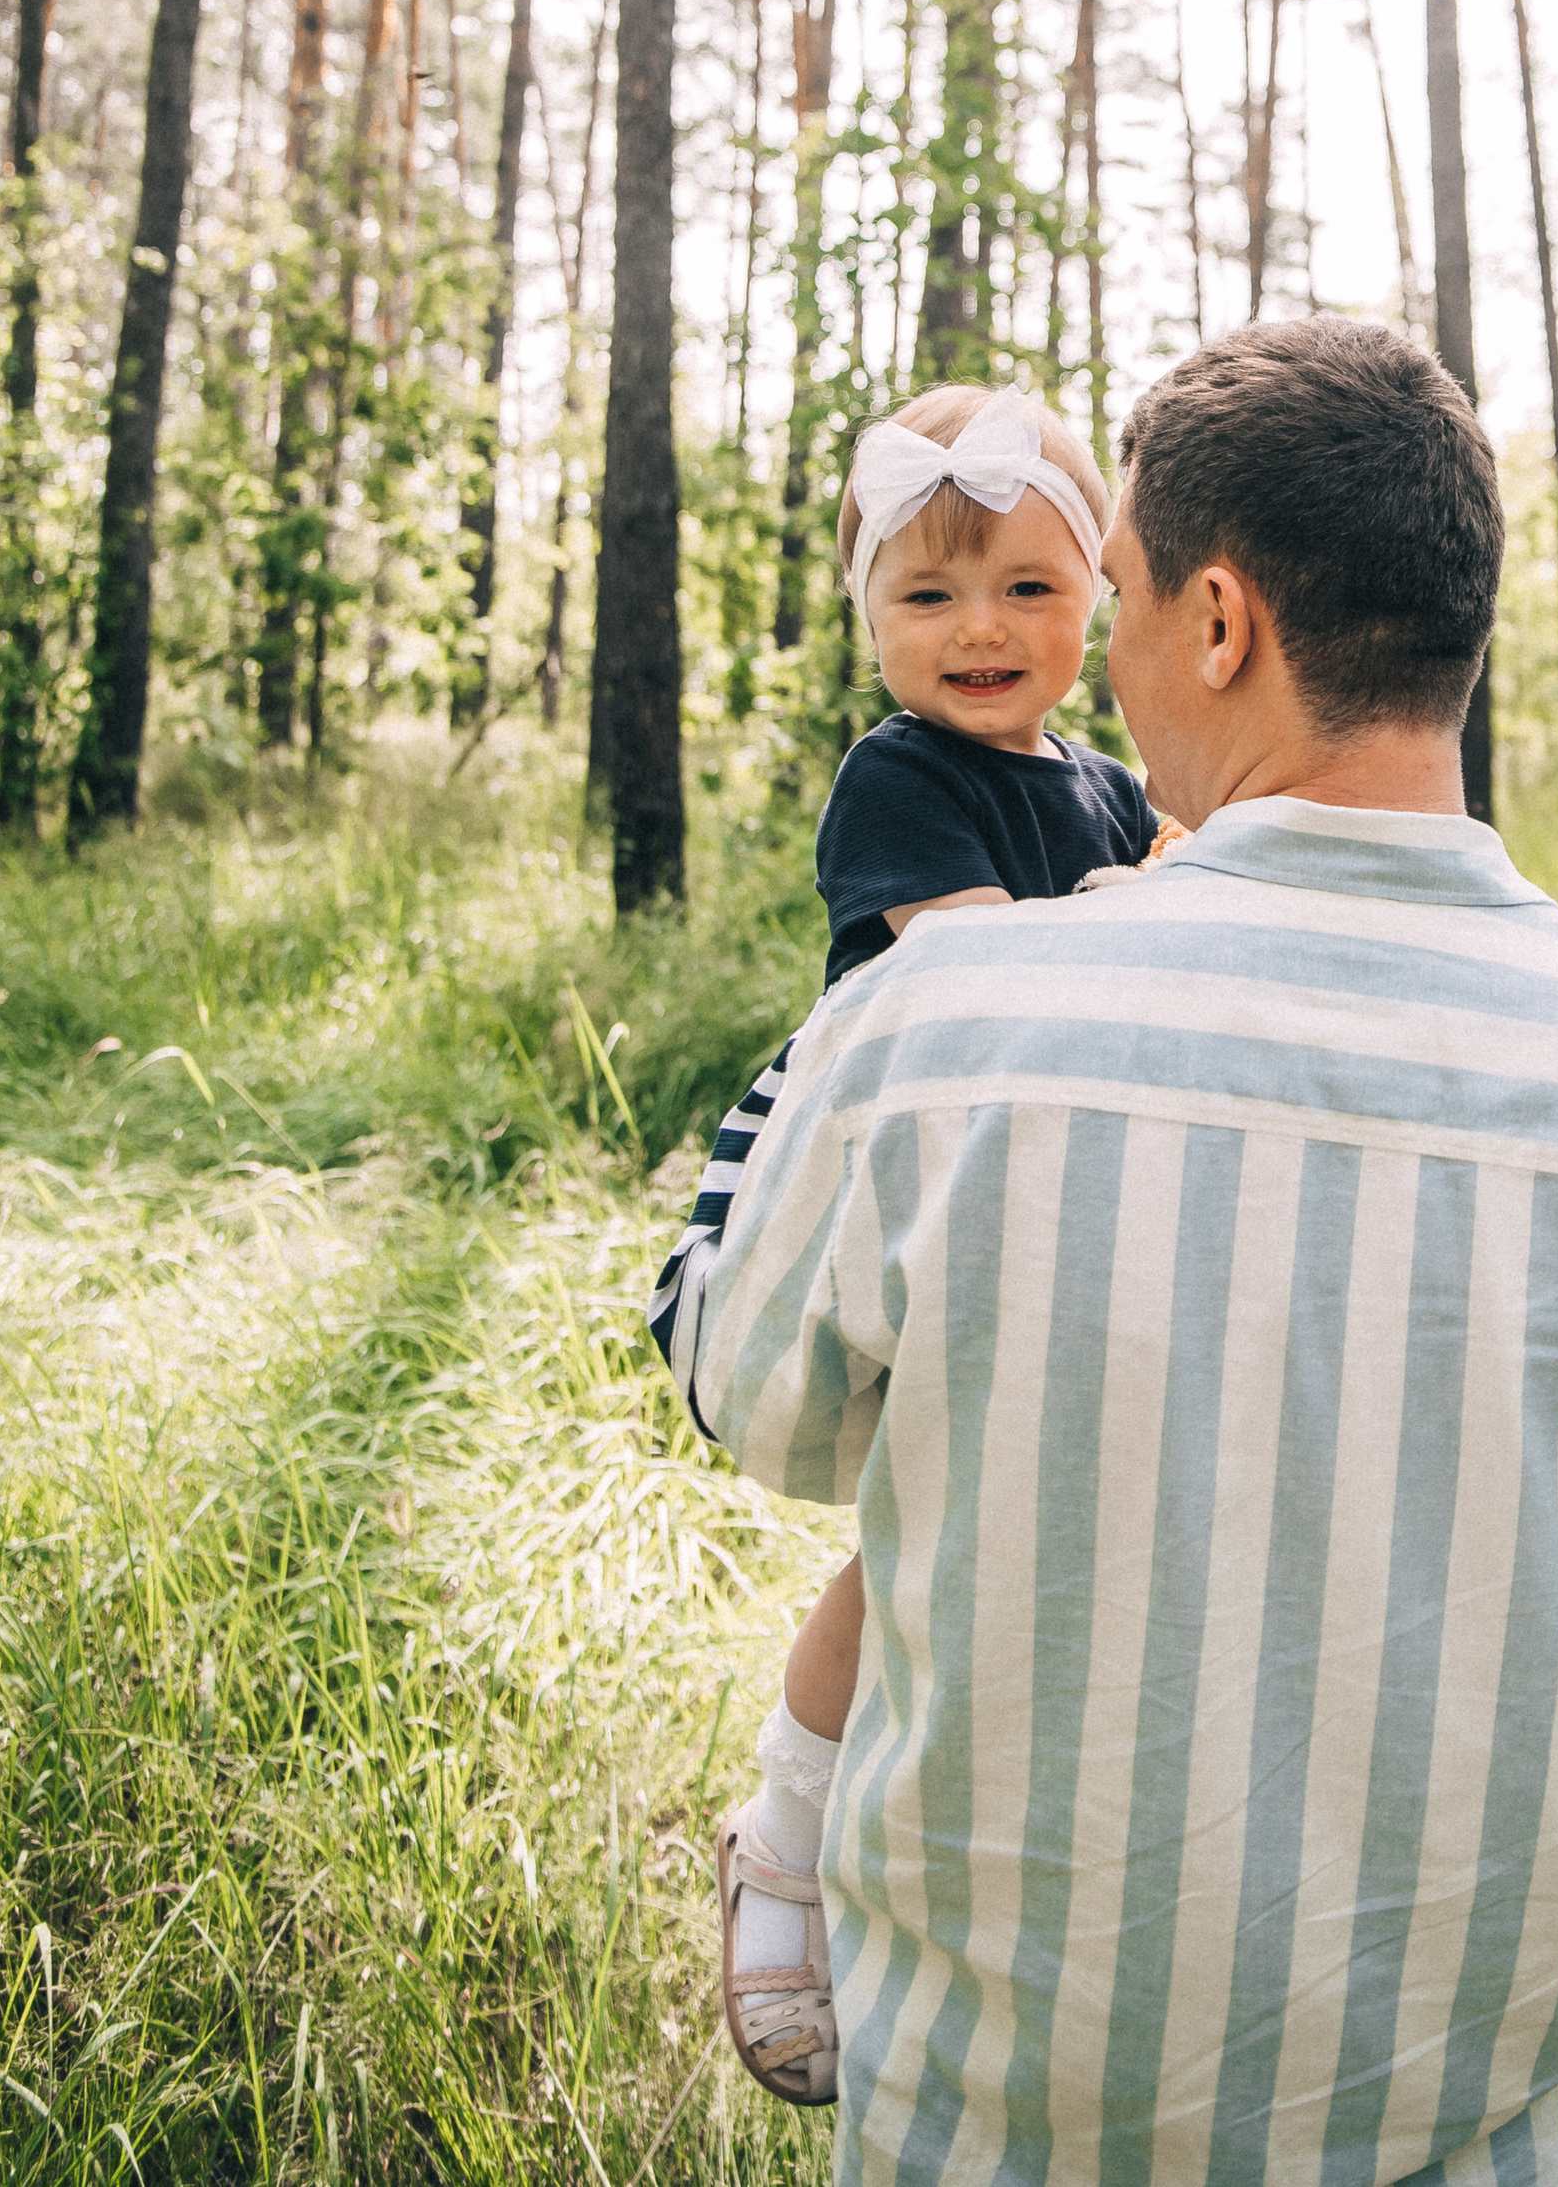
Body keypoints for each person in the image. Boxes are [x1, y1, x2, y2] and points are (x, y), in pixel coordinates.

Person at [676, 316, 1558, 2186]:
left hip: (994, 2134)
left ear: (1216, 622)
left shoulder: (935, 1025)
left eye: (1105, 590)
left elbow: (757, 1407)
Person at [649, 381, 1176, 2102]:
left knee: (1034, 1531)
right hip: (900, 1193)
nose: (980, 631)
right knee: (916, 1535)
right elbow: (970, 979)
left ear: (1102, 599)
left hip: (1050, 1199)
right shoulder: (899, 777)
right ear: (869, 614)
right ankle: (786, 1833)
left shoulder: (1115, 790)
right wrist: (1147, 906)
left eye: (1028, 587)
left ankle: (985, 1853)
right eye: (928, 595)